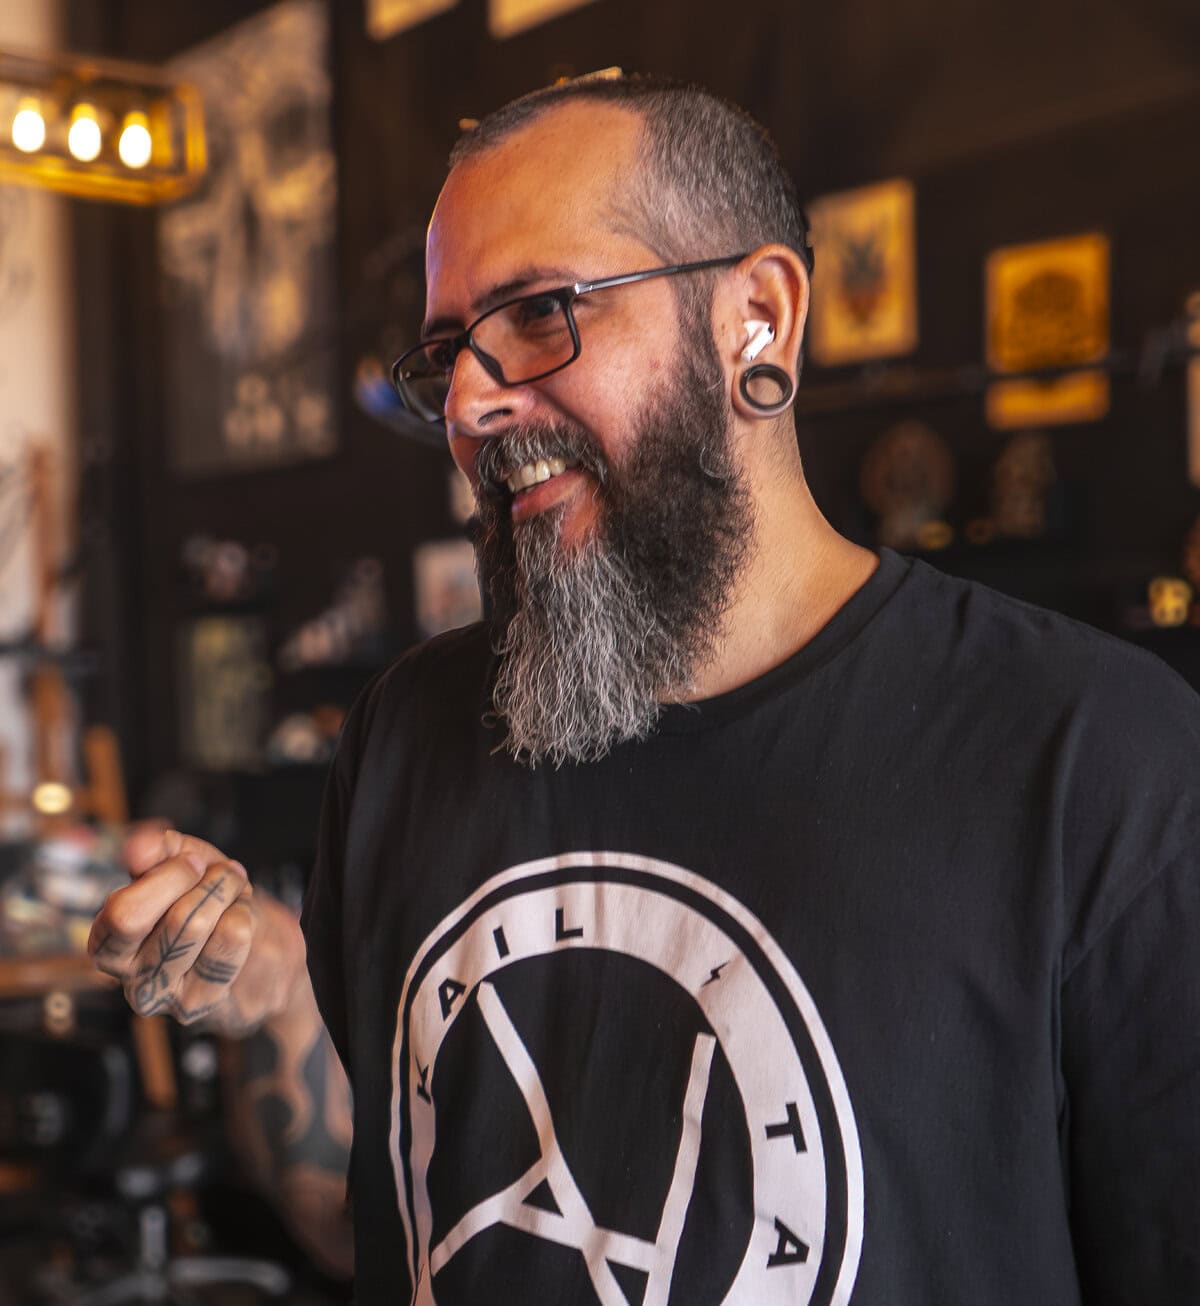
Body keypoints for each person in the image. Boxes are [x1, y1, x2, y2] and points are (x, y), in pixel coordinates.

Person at [90, 74, 1200, 1305]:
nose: (466, 403)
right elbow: (384, 1232)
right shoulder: (408, 735)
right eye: (450, 350)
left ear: (758, 317)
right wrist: (277, 1000)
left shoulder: (1097, 758)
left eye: (540, 312)